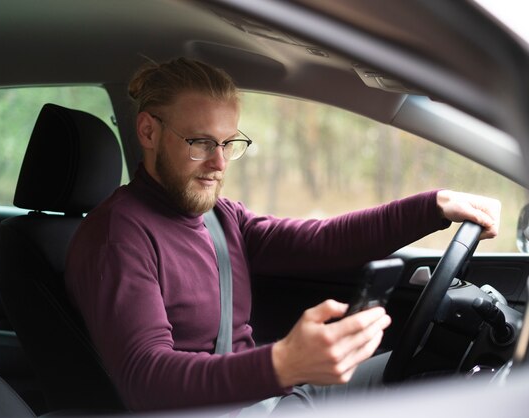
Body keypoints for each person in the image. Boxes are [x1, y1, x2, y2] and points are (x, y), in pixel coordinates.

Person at [65, 57, 501, 414]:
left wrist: (434, 206)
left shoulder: (220, 217)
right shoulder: (117, 236)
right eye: (200, 142)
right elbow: (146, 378)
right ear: (148, 131)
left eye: (228, 143)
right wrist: (281, 363)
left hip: (262, 401)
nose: (219, 163)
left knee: (433, 371)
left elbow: (323, 241)